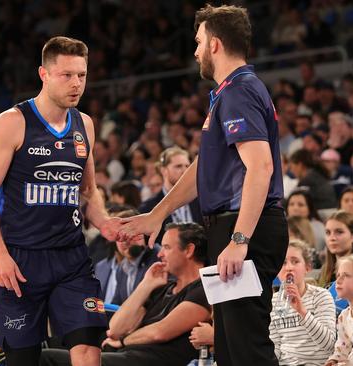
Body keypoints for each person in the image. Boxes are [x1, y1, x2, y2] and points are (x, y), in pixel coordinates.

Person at [119, 5, 288, 365]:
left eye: (198, 42)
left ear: (214, 44)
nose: (195, 51)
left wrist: (239, 239)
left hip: (244, 227)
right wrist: (158, 213)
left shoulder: (239, 91)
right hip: (234, 227)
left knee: (247, 349)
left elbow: (261, 167)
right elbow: (204, 169)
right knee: (230, 349)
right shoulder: (229, 93)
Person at [0, 36, 120, 366]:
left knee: (88, 346)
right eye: (66, 75)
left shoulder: (85, 125)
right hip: (20, 259)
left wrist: (106, 223)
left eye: (81, 75)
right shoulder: (11, 123)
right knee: (23, 358)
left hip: (70, 258)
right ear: (44, 74)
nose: (76, 83)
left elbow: (87, 190)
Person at [40, 222, 211, 366]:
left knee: (46, 358)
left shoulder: (203, 289)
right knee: (48, 349)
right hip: (128, 355)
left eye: (166, 247)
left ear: (189, 250)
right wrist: (145, 285)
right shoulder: (162, 287)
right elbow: (115, 329)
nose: (160, 253)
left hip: (154, 360)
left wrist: (124, 341)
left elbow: (160, 332)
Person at [269, 240, 336, 365]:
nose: (289, 267)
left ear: (307, 268)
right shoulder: (273, 301)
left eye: (295, 261)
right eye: (283, 263)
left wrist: (302, 311)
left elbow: (329, 344)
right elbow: (275, 346)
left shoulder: (321, 296)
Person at [138, 147, 202, 244]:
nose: (184, 171)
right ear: (163, 170)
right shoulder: (148, 208)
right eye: (178, 166)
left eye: (187, 166)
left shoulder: (200, 201)